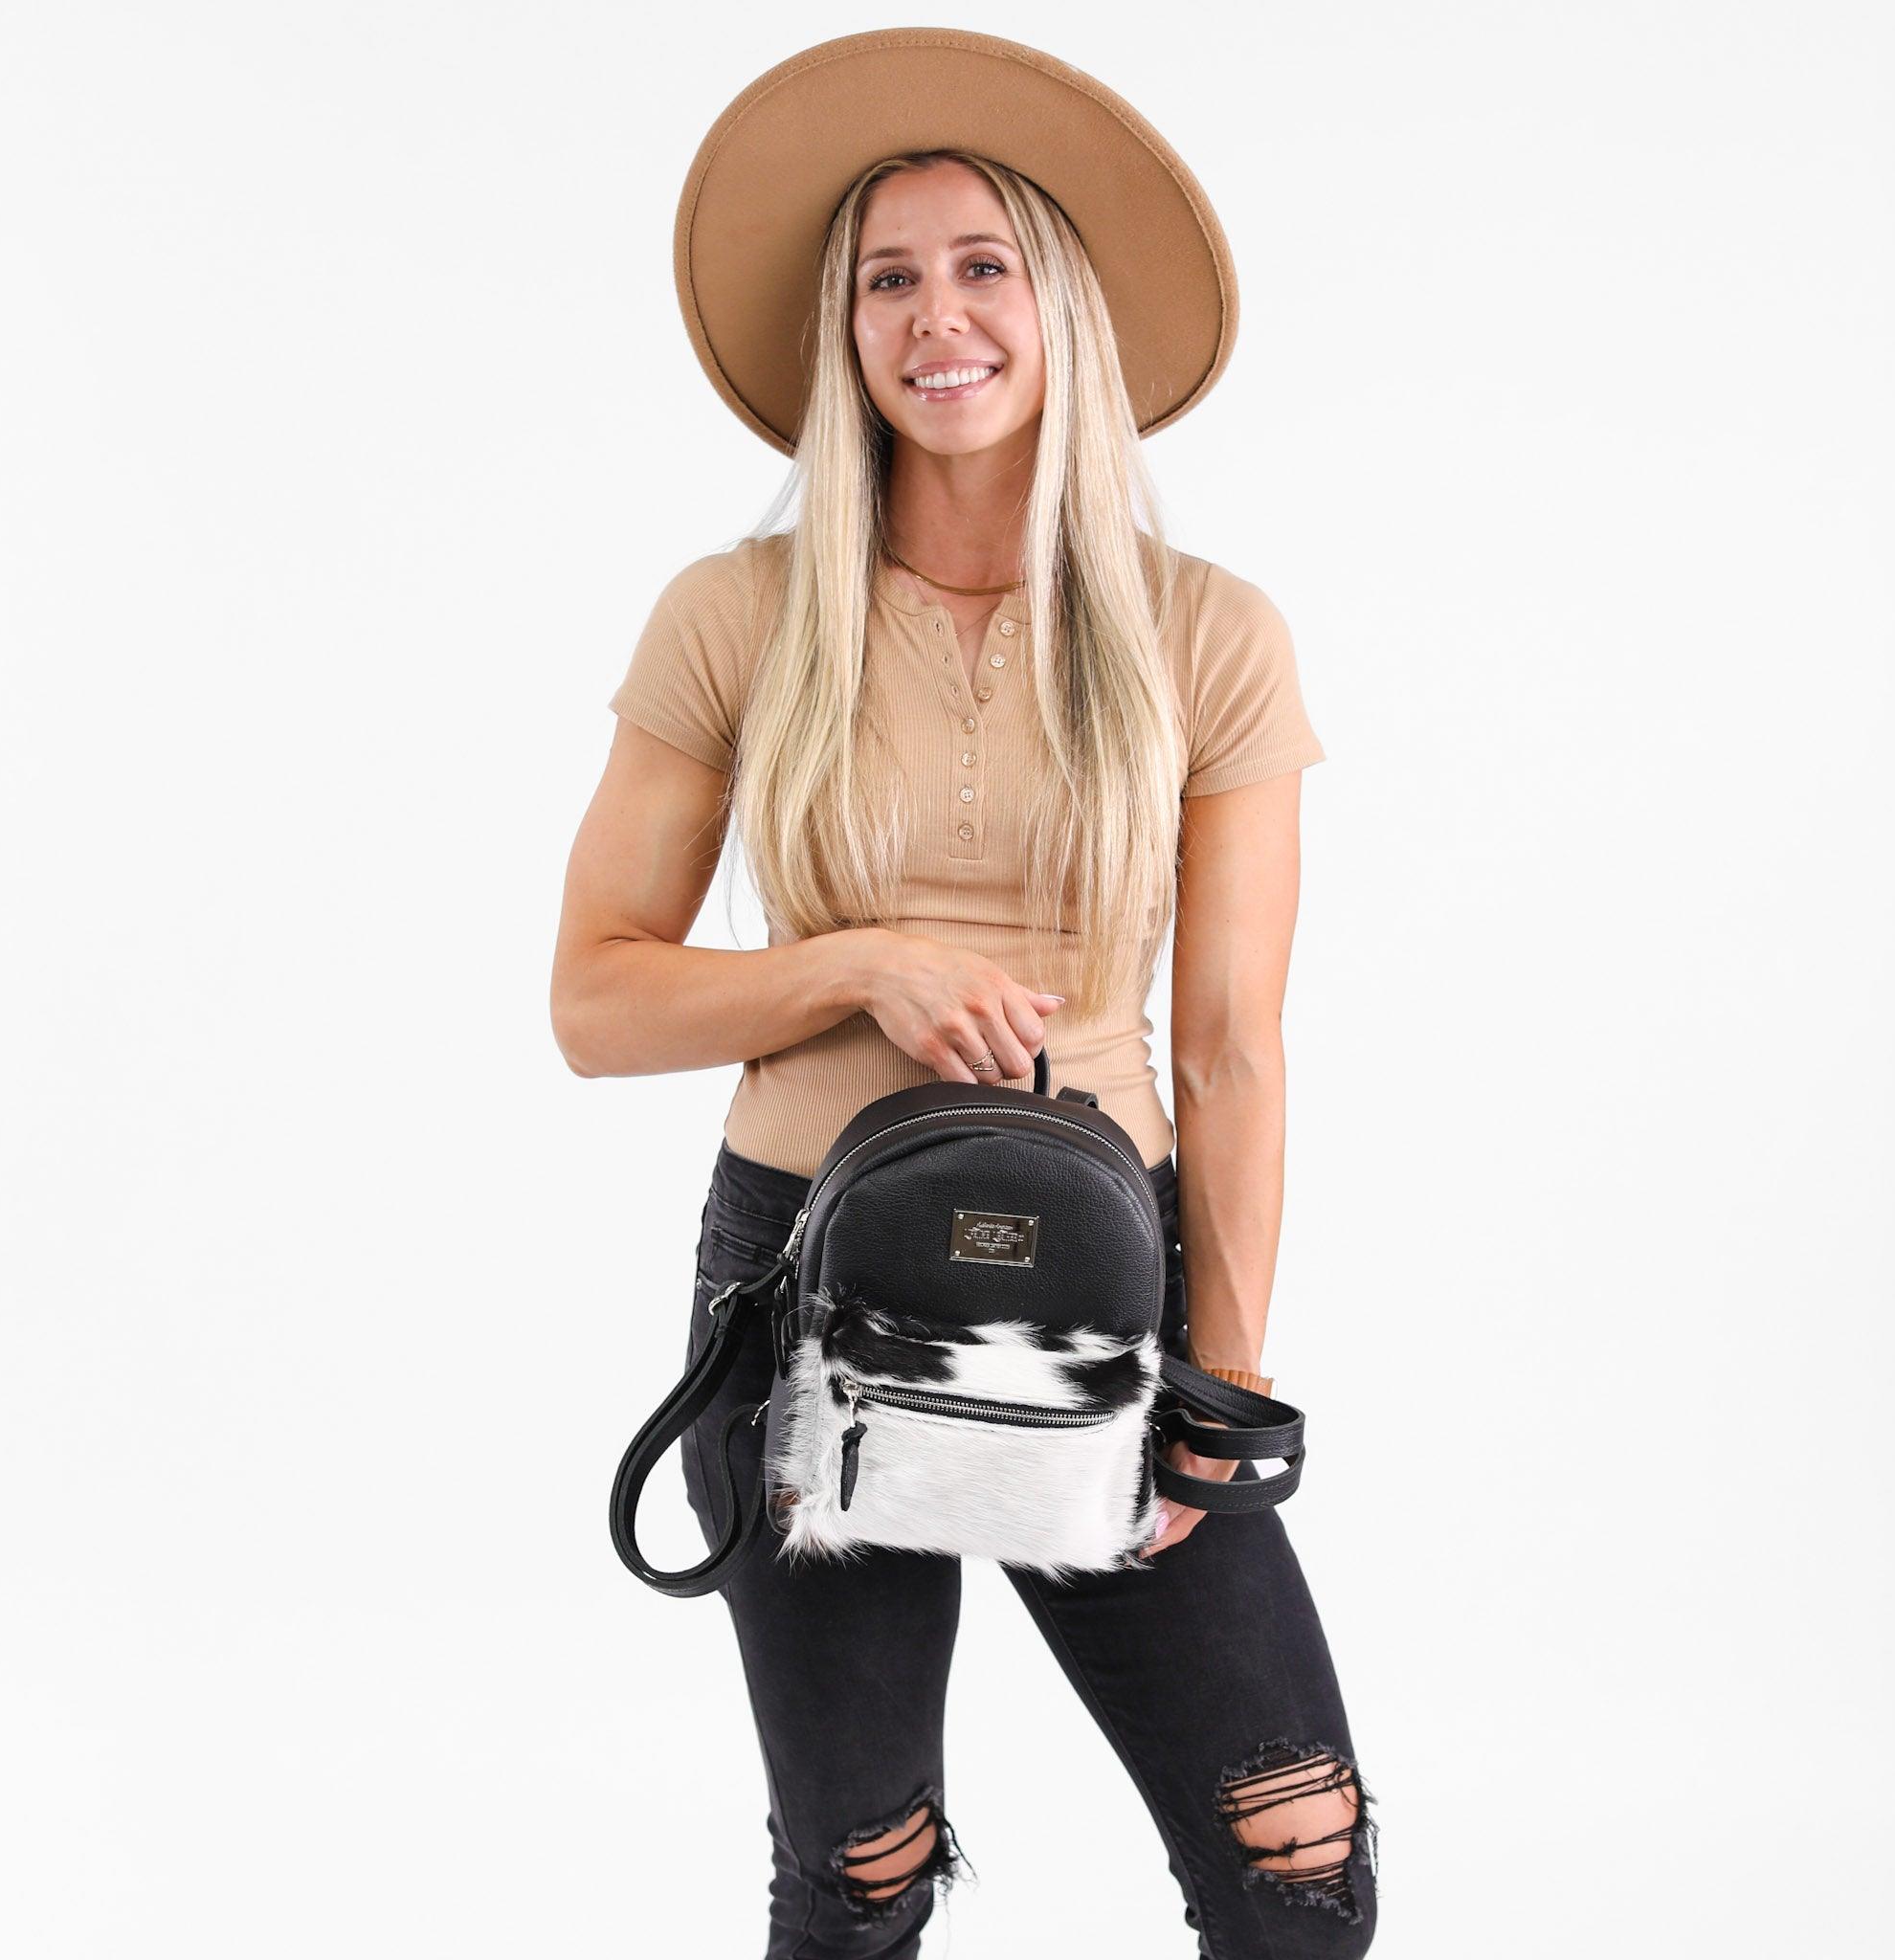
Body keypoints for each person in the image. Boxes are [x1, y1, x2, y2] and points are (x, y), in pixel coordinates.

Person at [551, 30, 1378, 1959]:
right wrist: (860, 962)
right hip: (802, 1283)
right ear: (845, 333)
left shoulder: (1206, 632)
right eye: (889, 278)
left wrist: (1228, 1384)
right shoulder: (735, 615)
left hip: (1107, 1285)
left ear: (1060, 305)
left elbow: (1232, 1048)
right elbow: (594, 1004)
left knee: (1296, 1865)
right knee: (861, 1879)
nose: (939, 318)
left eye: (983, 265)